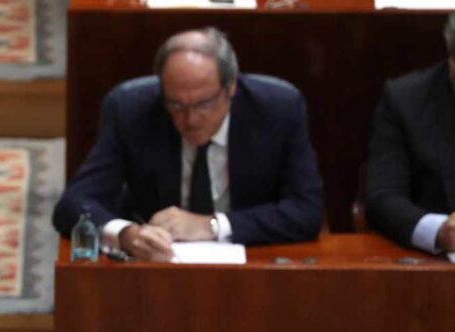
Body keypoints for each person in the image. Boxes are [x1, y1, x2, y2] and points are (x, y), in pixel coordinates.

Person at [53, 28, 323, 261]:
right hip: (157, 266)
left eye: (204, 104)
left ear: (231, 87)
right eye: (176, 104)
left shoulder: (278, 109)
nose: (190, 119)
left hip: (253, 261)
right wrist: (126, 235)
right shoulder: (130, 109)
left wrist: (211, 226)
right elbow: (74, 204)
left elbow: (306, 212)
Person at [365, 14, 455, 254]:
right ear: (451, 58)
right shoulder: (405, 100)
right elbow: (382, 198)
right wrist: (440, 231)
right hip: (434, 267)